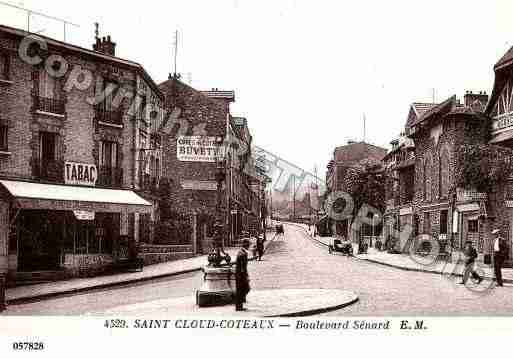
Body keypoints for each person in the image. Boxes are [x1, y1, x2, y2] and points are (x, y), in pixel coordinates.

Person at [235, 238, 250, 311]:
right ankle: (239, 305)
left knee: (241, 290)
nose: (249, 245)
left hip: (239, 274)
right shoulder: (243, 254)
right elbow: (242, 267)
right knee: (245, 289)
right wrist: (245, 276)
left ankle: (239, 305)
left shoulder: (241, 252)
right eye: (248, 244)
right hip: (241, 275)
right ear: (245, 244)